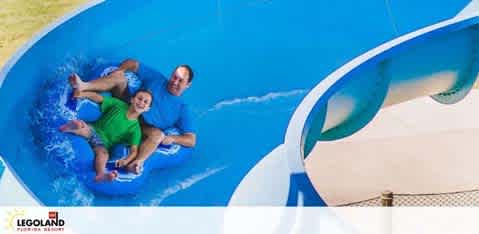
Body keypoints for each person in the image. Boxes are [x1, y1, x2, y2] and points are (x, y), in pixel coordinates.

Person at [69, 59, 196, 174]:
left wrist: (173, 138)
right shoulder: (157, 79)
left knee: (158, 135)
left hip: (144, 127)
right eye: (174, 77)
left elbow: (191, 140)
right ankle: (83, 86)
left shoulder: (181, 109)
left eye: (180, 80)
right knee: (119, 78)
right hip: (128, 106)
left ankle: (137, 163)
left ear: (188, 85)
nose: (175, 82)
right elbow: (133, 63)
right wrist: (120, 71)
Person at [60, 86, 153, 181]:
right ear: (132, 99)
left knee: (104, 154)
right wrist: (83, 94)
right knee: (83, 127)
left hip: (102, 145)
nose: (141, 102)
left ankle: (100, 174)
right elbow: (99, 98)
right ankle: (72, 127)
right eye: (139, 98)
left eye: (146, 102)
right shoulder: (119, 105)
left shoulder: (135, 129)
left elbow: (134, 151)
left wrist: (126, 160)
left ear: (147, 109)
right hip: (93, 129)